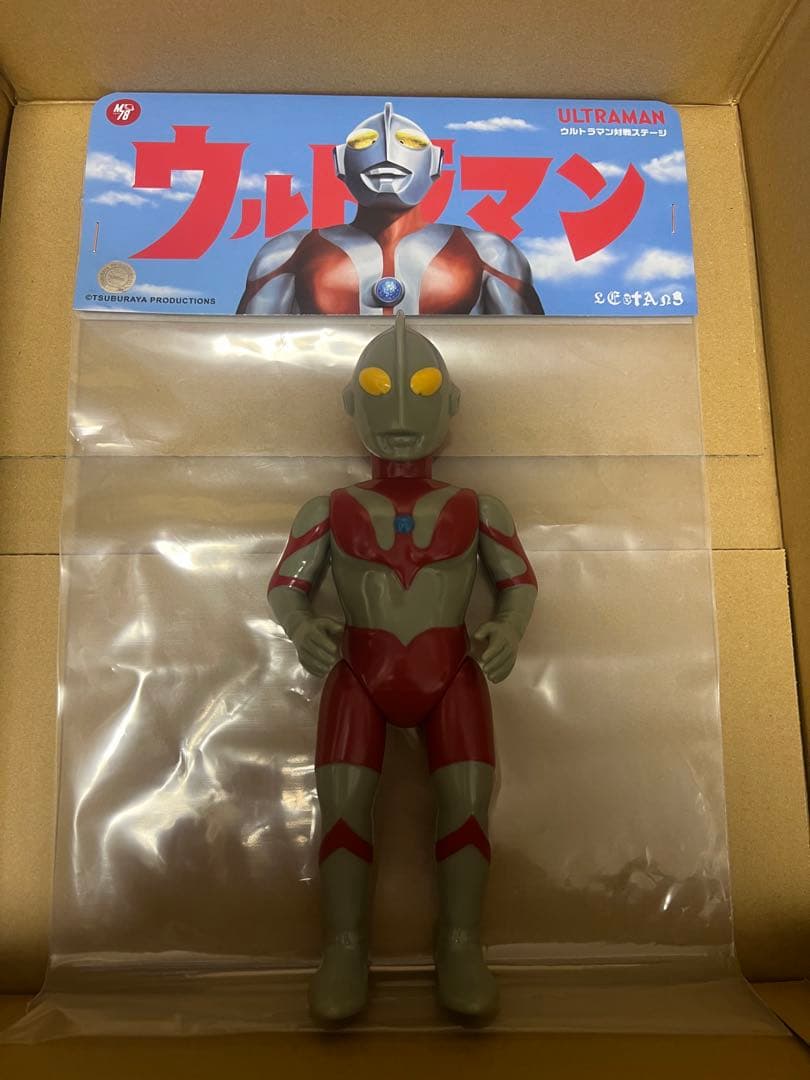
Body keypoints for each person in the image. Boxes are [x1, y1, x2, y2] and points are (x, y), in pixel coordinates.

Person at [269, 316, 537, 1021]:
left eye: (420, 389)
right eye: (377, 389)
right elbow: (287, 586)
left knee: (468, 808)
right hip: (360, 676)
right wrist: (302, 627)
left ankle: (461, 943)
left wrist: (509, 627)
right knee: (343, 810)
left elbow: (518, 582)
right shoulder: (328, 509)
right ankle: (344, 947)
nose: (397, 415)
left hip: (453, 676)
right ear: (349, 403)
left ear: (451, 404)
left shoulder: (480, 508)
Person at [238, 103, 544, 316]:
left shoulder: (489, 253)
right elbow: (248, 358)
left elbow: (530, 356)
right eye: (364, 142)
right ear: (340, 162)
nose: (386, 148)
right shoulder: (287, 253)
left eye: (410, 142)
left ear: (435, 163)